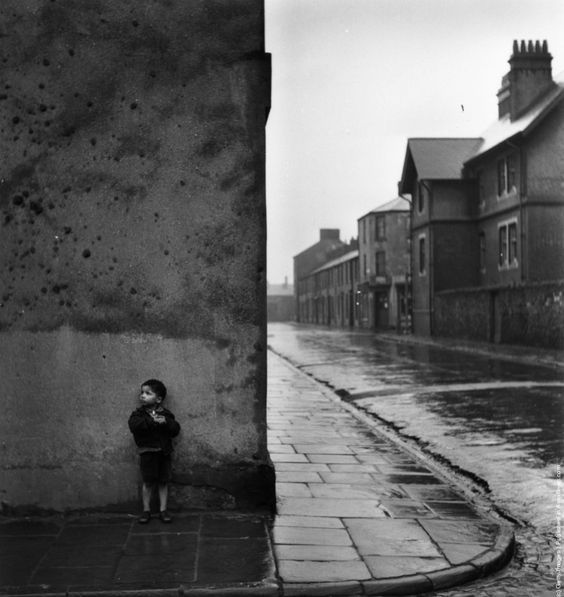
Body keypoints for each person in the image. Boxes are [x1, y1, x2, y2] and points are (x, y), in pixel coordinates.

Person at [128, 379, 181, 524]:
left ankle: (163, 510)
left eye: (147, 393)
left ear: (158, 399)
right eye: (142, 393)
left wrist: (165, 422)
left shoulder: (166, 414)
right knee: (148, 482)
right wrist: (152, 421)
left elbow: (175, 429)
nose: (143, 396)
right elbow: (134, 426)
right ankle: (146, 510)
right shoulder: (138, 414)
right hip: (147, 453)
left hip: (163, 453)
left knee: (163, 481)